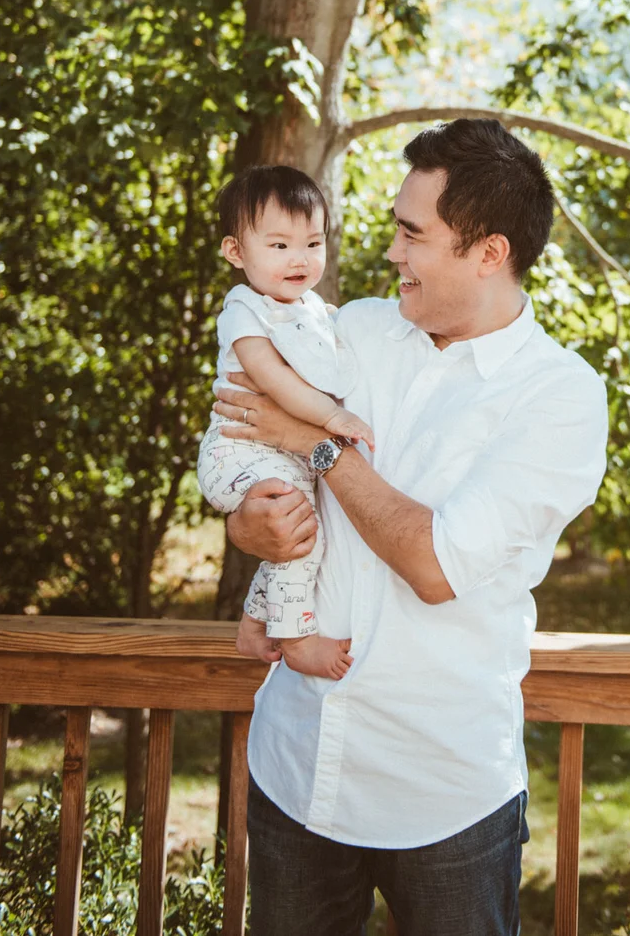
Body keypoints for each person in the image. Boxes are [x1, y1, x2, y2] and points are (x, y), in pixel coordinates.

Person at [214, 120, 609, 936]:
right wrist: (252, 523)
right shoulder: (350, 330)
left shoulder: (559, 396)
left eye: (412, 234)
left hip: (443, 797)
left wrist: (318, 445)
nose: (391, 251)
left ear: (489, 253)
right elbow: (252, 445)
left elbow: (433, 564)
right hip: (297, 767)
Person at [198, 164, 374, 680]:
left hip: (276, 455)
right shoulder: (244, 311)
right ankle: (296, 638)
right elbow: (271, 378)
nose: (300, 259)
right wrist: (332, 415)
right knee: (306, 533)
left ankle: (256, 621)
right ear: (236, 252)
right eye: (279, 246)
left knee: (293, 534)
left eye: (313, 243)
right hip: (238, 449)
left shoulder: (311, 309)